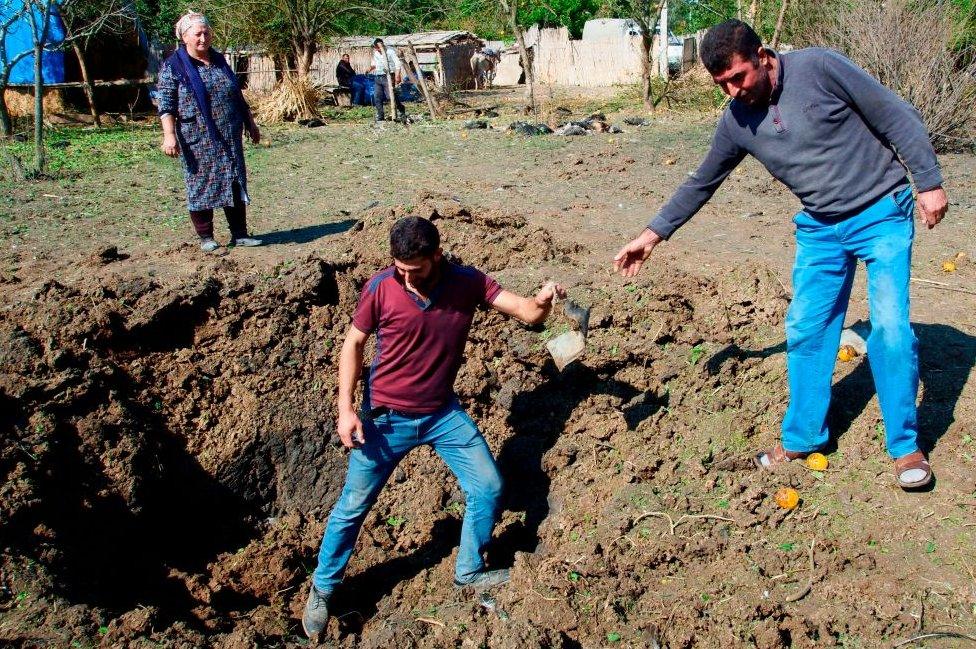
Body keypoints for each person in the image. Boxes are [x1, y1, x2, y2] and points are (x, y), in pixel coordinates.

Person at [612, 20, 948, 490]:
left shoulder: (819, 67)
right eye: (722, 85)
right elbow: (702, 181)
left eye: (738, 77)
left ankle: (905, 446)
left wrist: (929, 181)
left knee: (890, 328)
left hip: (881, 212)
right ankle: (804, 436)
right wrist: (650, 236)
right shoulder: (736, 122)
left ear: (763, 56)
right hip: (820, 227)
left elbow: (893, 113)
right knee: (806, 328)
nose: (732, 91)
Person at [301, 216, 565, 638]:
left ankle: (469, 570)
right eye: (400, 269)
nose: (407, 278)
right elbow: (353, 343)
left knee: (488, 486)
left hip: (442, 414)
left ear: (437, 256)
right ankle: (323, 589)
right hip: (385, 419)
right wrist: (345, 408)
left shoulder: (467, 283)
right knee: (353, 506)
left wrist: (545, 299)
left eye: (416, 269)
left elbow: (528, 313)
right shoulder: (380, 288)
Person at [157, 12, 263, 253]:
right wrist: (169, 135)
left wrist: (251, 123)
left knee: (234, 181)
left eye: (206, 33)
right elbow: (166, 105)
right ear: (185, 37)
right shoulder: (174, 67)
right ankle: (206, 237)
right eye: (198, 34)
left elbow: (236, 94)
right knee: (201, 185)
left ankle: (240, 234)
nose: (203, 38)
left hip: (229, 134)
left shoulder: (219, 61)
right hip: (197, 139)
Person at [366, 38, 406, 123]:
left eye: (380, 47)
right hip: (378, 77)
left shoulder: (390, 51)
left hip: (388, 76)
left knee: (390, 96)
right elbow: (374, 64)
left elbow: (397, 63)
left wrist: (397, 75)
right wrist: (368, 70)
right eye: (377, 48)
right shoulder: (376, 53)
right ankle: (380, 116)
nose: (378, 49)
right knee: (377, 96)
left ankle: (401, 110)